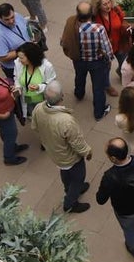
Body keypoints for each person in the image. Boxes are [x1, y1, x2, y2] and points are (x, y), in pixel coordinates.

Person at [34, 81, 92, 213]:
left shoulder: (38, 109)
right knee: (78, 176)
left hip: (54, 152)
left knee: (65, 171)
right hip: (69, 156)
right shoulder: (65, 120)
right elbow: (77, 142)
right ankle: (70, 203)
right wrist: (87, 152)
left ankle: (71, 188)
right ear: (61, 97)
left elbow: (35, 127)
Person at [61, 1, 114, 120]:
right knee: (98, 87)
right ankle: (99, 112)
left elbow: (64, 40)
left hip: (78, 60)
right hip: (96, 62)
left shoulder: (72, 24)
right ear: (91, 14)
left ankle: (79, 94)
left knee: (79, 77)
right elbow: (107, 48)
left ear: (77, 14)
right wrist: (109, 58)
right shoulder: (98, 28)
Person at [92, 0, 129, 96]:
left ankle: (120, 72)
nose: (108, 6)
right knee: (106, 69)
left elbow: (124, 21)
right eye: (104, 4)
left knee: (124, 63)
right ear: (98, 6)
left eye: (109, 2)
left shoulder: (116, 11)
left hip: (119, 44)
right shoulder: (95, 18)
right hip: (105, 49)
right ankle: (107, 86)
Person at [14, 40, 57, 119]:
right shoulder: (19, 64)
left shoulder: (47, 66)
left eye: (21, 58)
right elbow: (17, 78)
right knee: (33, 113)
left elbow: (52, 83)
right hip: (28, 98)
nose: (19, 60)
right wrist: (17, 88)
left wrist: (39, 87)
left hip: (43, 100)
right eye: (18, 57)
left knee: (45, 116)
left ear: (31, 57)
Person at [0, 2, 30, 83]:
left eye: (12, 17)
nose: (11, 21)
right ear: (0, 18)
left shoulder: (17, 15)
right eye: (7, 19)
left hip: (28, 59)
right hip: (15, 68)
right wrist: (24, 49)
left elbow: (26, 27)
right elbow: (3, 57)